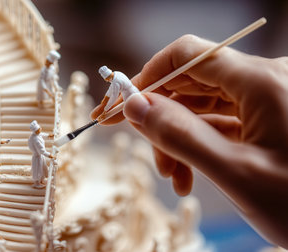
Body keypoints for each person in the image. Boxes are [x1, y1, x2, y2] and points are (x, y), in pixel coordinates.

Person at [91, 35, 288, 248]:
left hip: (135, 101)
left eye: (107, 77)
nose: (108, 79)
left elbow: (111, 97)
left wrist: (105, 110)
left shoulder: (118, 78)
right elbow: (109, 97)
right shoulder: (116, 79)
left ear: (109, 75)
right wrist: (104, 110)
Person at [28, 120, 55, 188]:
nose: (41, 129)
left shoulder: (36, 134)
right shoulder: (36, 140)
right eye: (39, 129)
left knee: (42, 169)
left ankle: (41, 180)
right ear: (36, 131)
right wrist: (49, 155)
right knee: (38, 170)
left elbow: (42, 134)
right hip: (38, 157)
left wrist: (48, 135)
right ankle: (37, 183)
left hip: (40, 156)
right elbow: (41, 151)